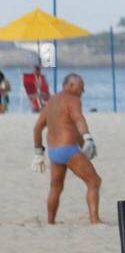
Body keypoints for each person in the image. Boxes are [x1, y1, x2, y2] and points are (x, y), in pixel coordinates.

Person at [31, 73, 101, 225]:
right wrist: (88, 137)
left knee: (55, 187)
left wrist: (38, 153)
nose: (82, 92)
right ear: (69, 85)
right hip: (68, 149)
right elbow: (78, 120)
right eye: (80, 88)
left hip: (54, 152)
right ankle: (95, 220)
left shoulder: (51, 101)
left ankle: (50, 222)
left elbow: (37, 128)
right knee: (94, 181)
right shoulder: (73, 100)